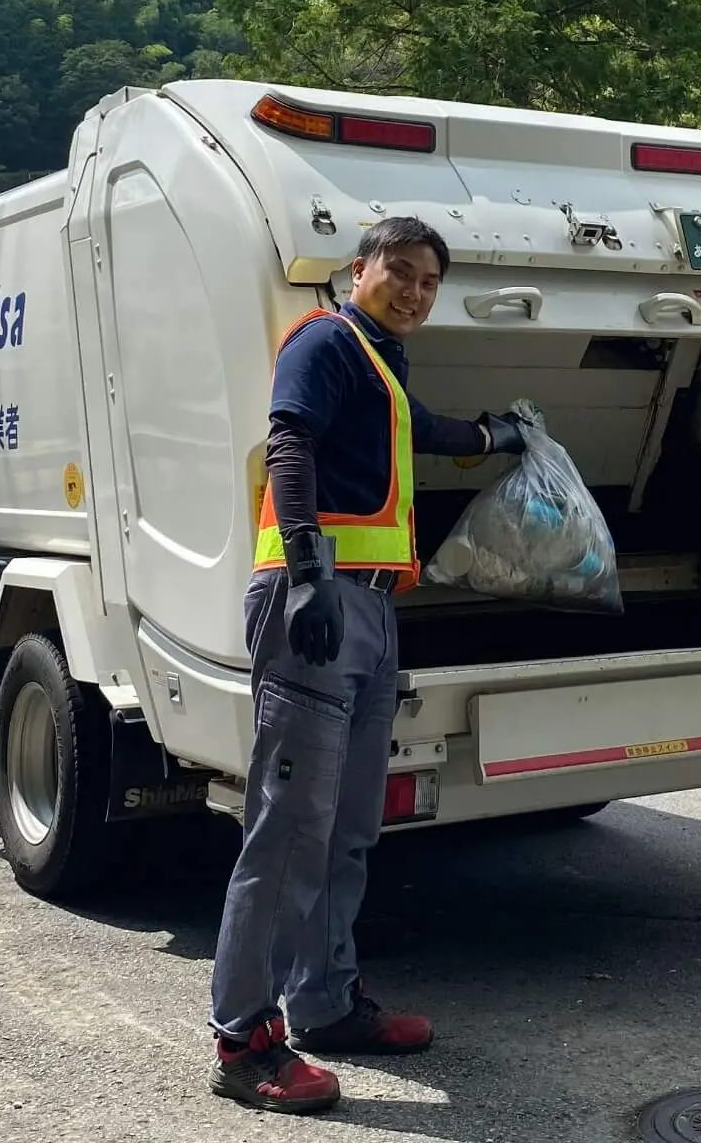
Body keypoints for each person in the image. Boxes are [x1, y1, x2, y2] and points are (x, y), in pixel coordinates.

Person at [208, 216, 526, 1115]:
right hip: (316, 604)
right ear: (361, 269)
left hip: (374, 607)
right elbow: (290, 442)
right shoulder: (323, 340)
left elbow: (414, 429)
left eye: (430, 280)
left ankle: (325, 1001)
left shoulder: (382, 362)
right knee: (290, 831)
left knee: (347, 826)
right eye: (403, 272)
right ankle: (244, 1042)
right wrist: (306, 568)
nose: (416, 291)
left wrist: (493, 436)